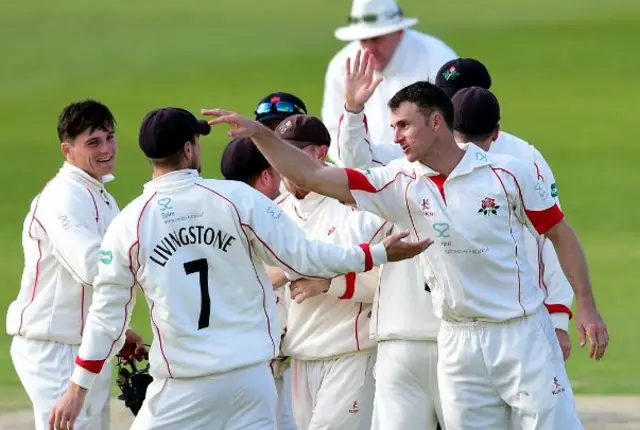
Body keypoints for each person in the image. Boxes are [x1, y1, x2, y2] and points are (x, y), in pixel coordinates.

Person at [203, 82, 609, 429]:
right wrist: (260, 134)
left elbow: (559, 234)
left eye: (404, 125)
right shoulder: (400, 183)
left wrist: (586, 307)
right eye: (393, 126)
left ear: (436, 122)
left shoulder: (508, 174)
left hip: (521, 330)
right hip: (457, 340)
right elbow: (311, 175)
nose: (396, 136)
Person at [48, 106, 430, 430]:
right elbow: (306, 256)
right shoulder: (236, 200)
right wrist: (374, 254)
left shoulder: (129, 223)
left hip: (182, 386)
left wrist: (77, 387)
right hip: (250, 382)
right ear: (189, 148)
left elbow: (106, 316)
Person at [336, 51, 576, 360]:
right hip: (429, 323)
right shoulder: (415, 152)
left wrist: (557, 317)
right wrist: (354, 112)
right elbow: (357, 165)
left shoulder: (523, 158)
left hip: (506, 320)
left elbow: (551, 239)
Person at [5, 99, 145, 430]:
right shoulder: (63, 198)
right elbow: (92, 269)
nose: (107, 148)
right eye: (93, 142)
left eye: (110, 137)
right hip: (53, 348)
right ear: (67, 151)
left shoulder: (99, 194)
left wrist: (117, 332)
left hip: (83, 345)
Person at [331, 49, 446, 430]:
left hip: (458, 336)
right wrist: (352, 110)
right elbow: (356, 164)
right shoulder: (399, 169)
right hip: (400, 336)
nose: (398, 136)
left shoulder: (500, 175)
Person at [271, 115, 390, 430]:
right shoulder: (274, 212)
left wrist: (329, 282)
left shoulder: (353, 204)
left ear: (320, 153)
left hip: (349, 354)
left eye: (295, 151)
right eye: (280, 152)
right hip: (299, 357)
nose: (286, 162)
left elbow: (386, 280)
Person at [220, 136, 296, 430]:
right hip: (261, 359)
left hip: (240, 358)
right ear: (266, 176)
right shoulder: (275, 216)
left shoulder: (219, 214)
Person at [322, 0, 457, 152]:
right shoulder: (342, 65)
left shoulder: (437, 57)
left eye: (376, 38)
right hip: (365, 169)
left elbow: (453, 124)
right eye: (363, 40)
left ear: (399, 31)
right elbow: (333, 130)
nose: (369, 49)